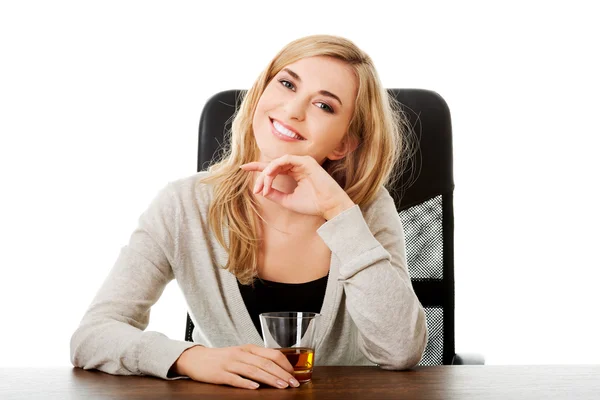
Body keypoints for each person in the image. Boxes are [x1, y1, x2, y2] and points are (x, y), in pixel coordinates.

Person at [70, 34, 428, 390]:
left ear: (343, 144)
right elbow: (93, 336)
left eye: (324, 106)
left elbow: (399, 351)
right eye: (287, 84)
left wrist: (338, 213)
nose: (293, 110)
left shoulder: (363, 209)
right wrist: (190, 357)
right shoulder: (183, 205)